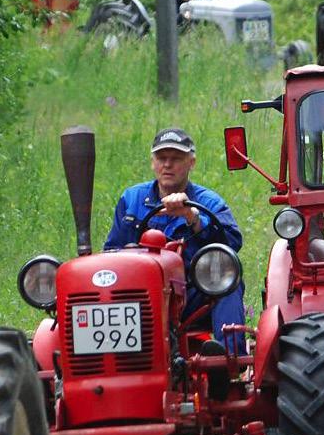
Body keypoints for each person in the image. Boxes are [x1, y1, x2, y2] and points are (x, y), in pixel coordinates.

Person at [105, 127, 245, 350]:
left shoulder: (209, 202)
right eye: (161, 158)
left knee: (227, 279)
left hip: (193, 293)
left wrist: (193, 218)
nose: (167, 165)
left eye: (176, 158)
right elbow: (112, 250)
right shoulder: (132, 199)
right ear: (153, 162)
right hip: (141, 296)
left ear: (191, 163)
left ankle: (228, 357)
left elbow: (231, 244)